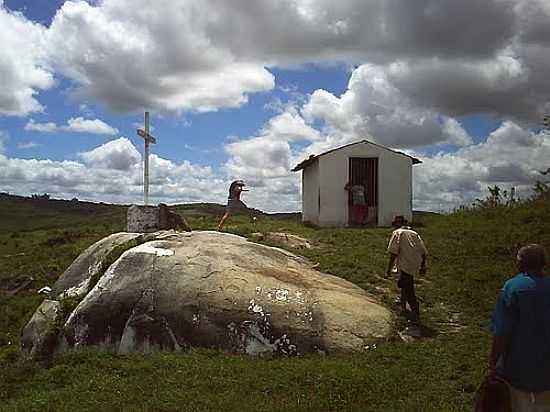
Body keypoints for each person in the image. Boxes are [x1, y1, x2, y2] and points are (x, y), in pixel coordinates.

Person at [489, 244, 550, 410]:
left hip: (518, 370)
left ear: (521, 263)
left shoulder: (512, 288)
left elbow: (501, 332)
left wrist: (493, 361)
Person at [385, 216, 428, 322]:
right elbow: (423, 252)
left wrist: (389, 268)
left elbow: (393, 253)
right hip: (415, 262)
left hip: (406, 263)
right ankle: (403, 305)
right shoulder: (414, 233)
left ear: (397, 224)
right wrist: (423, 265)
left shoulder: (397, 233)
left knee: (408, 288)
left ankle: (415, 311)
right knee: (405, 283)